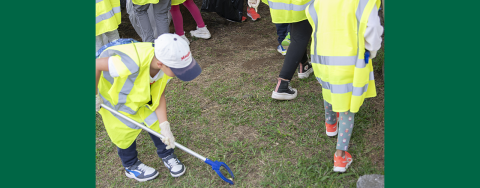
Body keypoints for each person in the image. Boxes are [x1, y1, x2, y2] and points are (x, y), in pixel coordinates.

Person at [95, 33, 202, 181]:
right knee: (123, 131)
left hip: (139, 94)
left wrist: (165, 125)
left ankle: (167, 154)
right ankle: (130, 165)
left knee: (156, 124)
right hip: (113, 96)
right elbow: (95, 65)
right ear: (161, 64)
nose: (181, 74)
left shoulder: (162, 65)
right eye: (178, 70)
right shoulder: (130, 63)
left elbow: (159, 94)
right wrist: (94, 95)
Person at [305, 0, 383, 172]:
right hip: (349, 64)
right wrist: (372, 49)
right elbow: (373, 28)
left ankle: (330, 125)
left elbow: (311, 16)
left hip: (322, 58)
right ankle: (340, 157)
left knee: (329, 90)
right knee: (347, 106)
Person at [266, 0, 314, 100]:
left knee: (296, 31)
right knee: (300, 36)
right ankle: (283, 85)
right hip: (300, 3)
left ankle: (304, 65)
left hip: (282, 4)